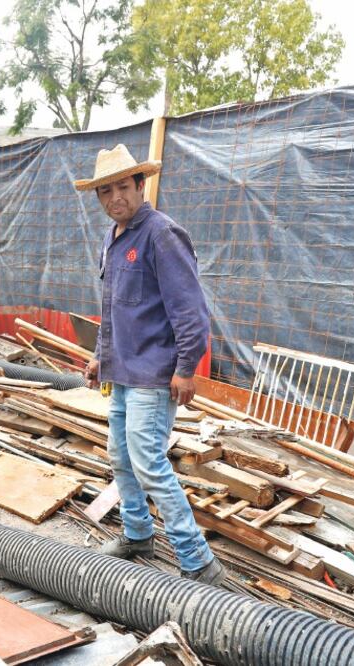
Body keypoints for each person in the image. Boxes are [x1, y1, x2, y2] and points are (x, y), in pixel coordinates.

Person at [75, 144, 225, 586]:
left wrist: (185, 369)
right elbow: (116, 309)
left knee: (147, 460)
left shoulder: (162, 235)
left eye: (123, 187)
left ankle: (197, 560)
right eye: (105, 191)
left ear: (142, 185)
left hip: (154, 374)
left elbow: (191, 312)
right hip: (121, 372)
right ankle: (138, 535)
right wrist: (100, 357)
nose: (114, 197)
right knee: (121, 458)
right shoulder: (113, 237)